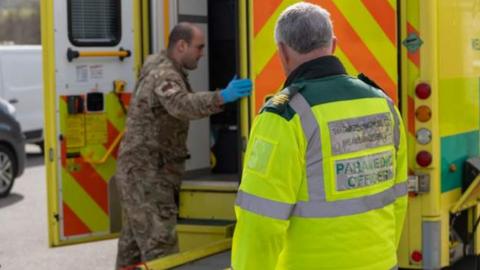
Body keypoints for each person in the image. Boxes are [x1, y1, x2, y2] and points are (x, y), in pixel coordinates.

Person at [231, 2, 407, 270]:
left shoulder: (285, 116)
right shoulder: (384, 104)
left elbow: (260, 221)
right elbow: (397, 199)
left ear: (282, 52)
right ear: (333, 44)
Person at [114, 22, 252, 269]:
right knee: (161, 248)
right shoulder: (164, 75)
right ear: (181, 46)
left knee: (132, 248)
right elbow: (181, 105)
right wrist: (222, 96)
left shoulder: (161, 69)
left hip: (142, 173)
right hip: (147, 177)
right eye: (199, 47)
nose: (202, 53)